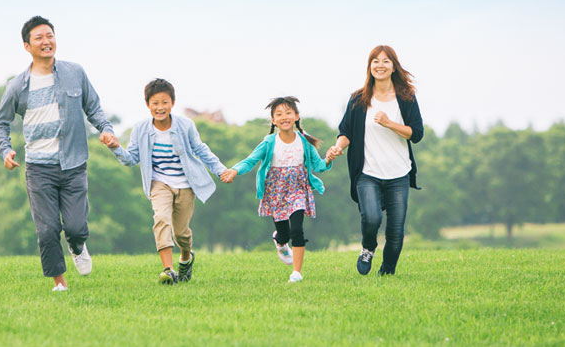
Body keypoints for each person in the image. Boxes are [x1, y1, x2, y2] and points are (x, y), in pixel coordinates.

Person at [0, 16, 118, 293]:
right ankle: (59, 282)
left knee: (74, 226)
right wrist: (6, 149)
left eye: (49, 35)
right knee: (47, 230)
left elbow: (93, 107)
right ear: (27, 46)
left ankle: (77, 245)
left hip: (73, 163)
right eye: (39, 37)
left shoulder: (75, 72)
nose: (46, 41)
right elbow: (0, 123)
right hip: (38, 168)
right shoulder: (17, 86)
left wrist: (106, 131)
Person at [109, 79, 229, 284]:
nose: (160, 107)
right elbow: (131, 158)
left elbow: (200, 149)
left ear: (172, 103)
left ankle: (186, 258)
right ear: (147, 105)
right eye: (155, 103)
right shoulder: (140, 129)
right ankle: (168, 270)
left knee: (181, 233)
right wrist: (115, 147)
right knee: (161, 219)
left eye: (164, 102)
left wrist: (221, 170)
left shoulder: (185, 125)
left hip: (185, 184)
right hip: (159, 183)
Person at [326, 45, 423, 276]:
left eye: (386, 61)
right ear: (370, 67)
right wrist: (337, 147)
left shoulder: (406, 98)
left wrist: (390, 123)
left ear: (393, 67)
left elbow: (417, 134)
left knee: (396, 233)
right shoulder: (358, 99)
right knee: (371, 217)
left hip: (398, 173)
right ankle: (368, 248)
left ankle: (387, 273)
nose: (380, 65)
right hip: (367, 173)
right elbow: (346, 131)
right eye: (375, 61)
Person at [221, 97, 331, 283]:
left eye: (288, 113)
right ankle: (280, 241)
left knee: (297, 229)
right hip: (276, 191)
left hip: (297, 189)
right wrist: (234, 170)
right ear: (273, 120)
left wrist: (328, 159)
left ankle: (296, 273)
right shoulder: (269, 142)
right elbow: (251, 160)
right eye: (279, 114)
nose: (284, 117)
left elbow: (319, 166)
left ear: (296, 116)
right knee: (284, 233)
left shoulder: (304, 141)